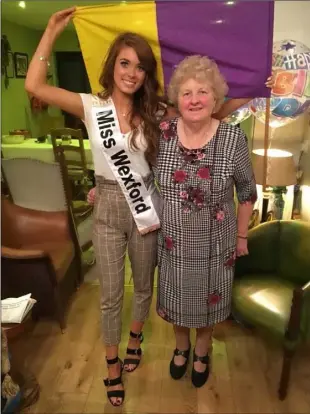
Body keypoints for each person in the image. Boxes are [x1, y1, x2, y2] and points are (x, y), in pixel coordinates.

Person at [153, 55, 258, 388]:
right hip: (173, 241)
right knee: (177, 298)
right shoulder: (162, 134)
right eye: (186, 93)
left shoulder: (232, 139)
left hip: (216, 242)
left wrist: (242, 237)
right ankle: (180, 347)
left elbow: (247, 192)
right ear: (176, 99)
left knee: (208, 300)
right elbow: (134, 170)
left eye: (202, 92)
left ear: (216, 99)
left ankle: (202, 348)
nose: (194, 99)